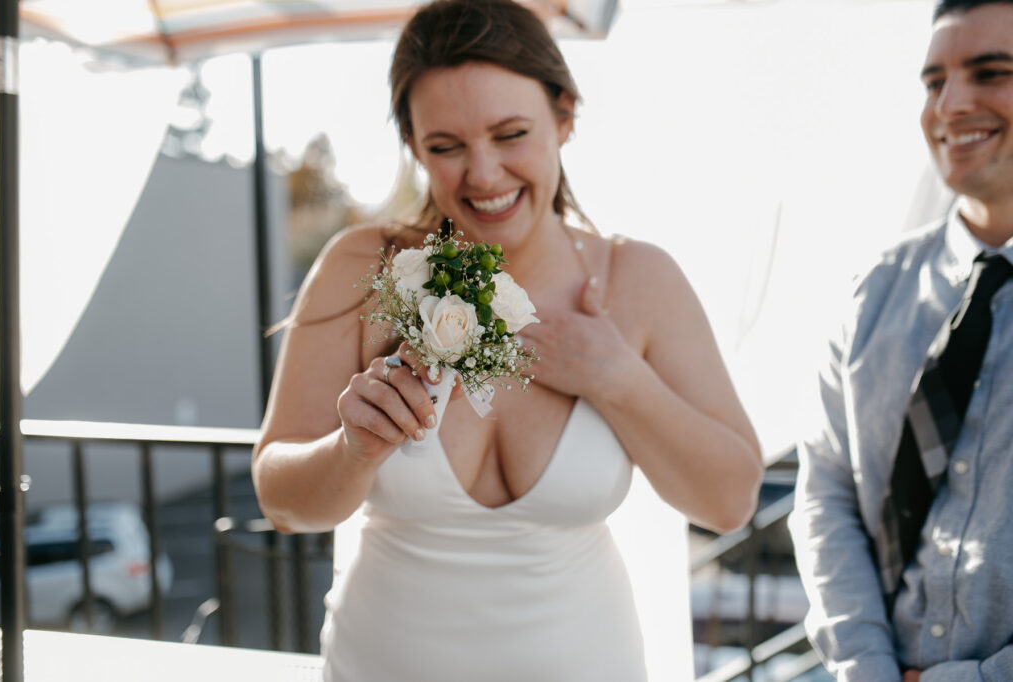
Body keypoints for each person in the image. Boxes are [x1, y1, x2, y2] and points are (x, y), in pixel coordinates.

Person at [252, 1, 763, 679]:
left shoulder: (641, 281)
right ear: (413, 146)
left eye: (511, 133)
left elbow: (730, 501)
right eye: (446, 147)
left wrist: (617, 379)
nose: (484, 174)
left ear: (565, 116)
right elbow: (280, 500)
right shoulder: (359, 269)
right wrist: (354, 449)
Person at [789, 1, 1013, 680]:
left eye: (990, 73)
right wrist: (869, 670)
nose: (950, 105)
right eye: (933, 81)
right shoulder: (874, 295)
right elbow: (825, 493)